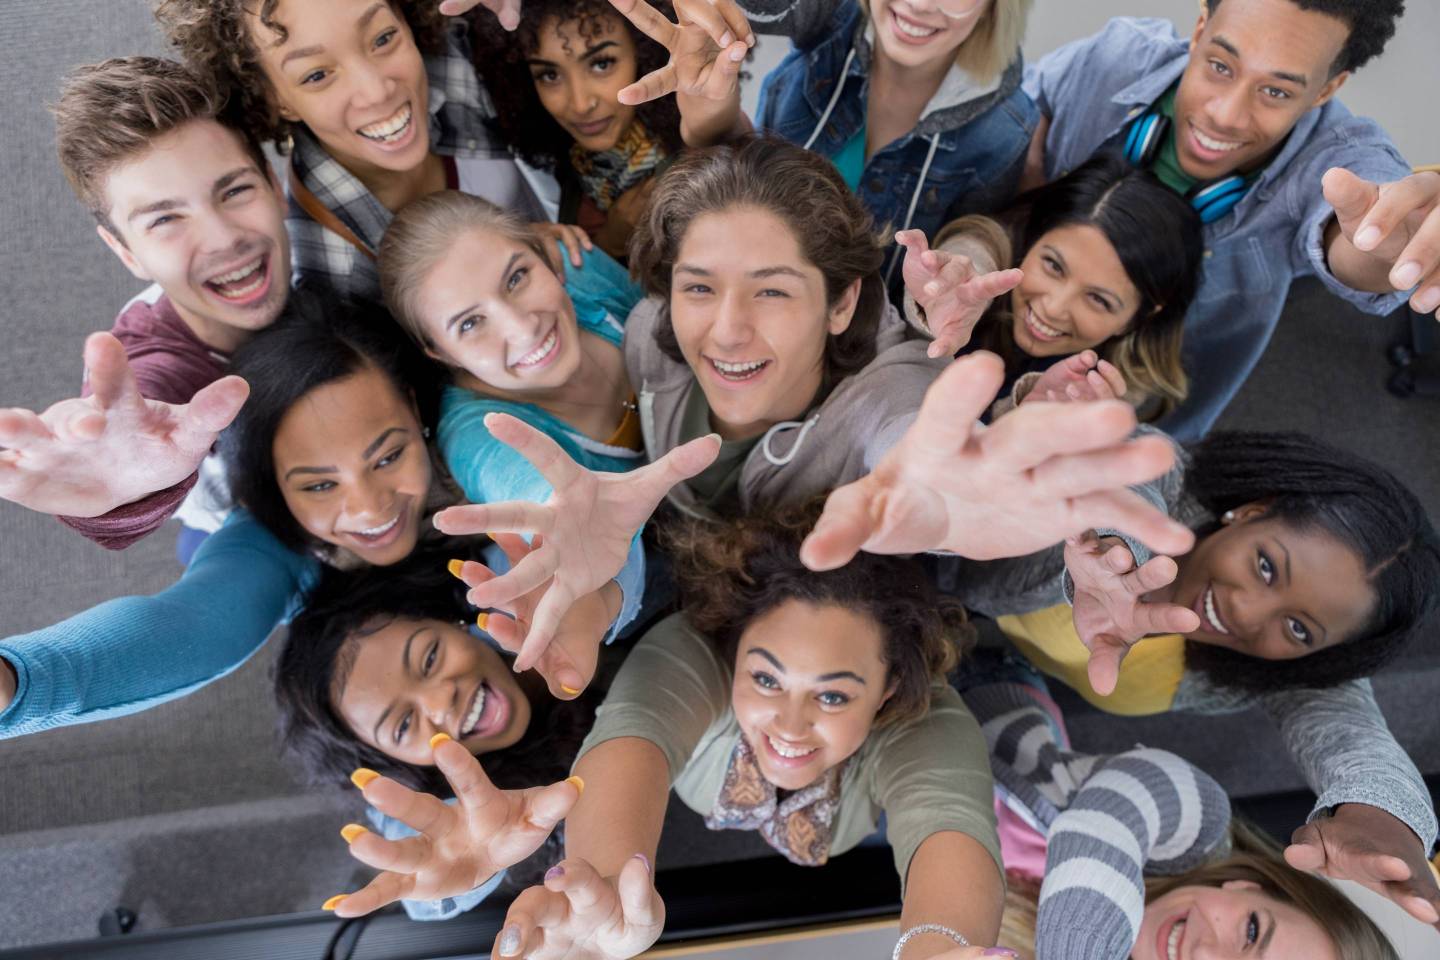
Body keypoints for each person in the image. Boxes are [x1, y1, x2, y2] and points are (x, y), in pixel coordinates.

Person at [432, 138, 1194, 672]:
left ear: (841, 303)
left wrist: (1097, 529)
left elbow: (918, 445)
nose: (726, 330)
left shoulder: (889, 389)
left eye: (771, 290)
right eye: (699, 287)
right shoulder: (646, 331)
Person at [0, 291, 713, 735]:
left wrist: (582, 586)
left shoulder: (468, 440)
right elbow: (187, 628)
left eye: (384, 455)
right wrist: (18, 682)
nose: (368, 508)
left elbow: (546, 524)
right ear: (272, 488)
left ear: (415, 409)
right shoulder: (277, 544)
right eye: (317, 485)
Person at [333, 505, 1012, 958]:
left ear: (890, 686)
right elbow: (638, 732)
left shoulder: (928, 719)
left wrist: (941, 946)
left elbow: (945, 818)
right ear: (734, 640)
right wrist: (598, 885)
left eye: (833, 694)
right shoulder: (693, 649)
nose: (791, 726)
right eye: (767, 679)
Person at [945, 428, 1440, 929]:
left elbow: (1355, 737)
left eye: (1297, 627)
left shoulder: (1275, 668)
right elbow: (1125, 489)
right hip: (920, 558)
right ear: (1250, 511)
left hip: (985, 657)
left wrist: (1385, 816)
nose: (1246, 612)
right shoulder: (1157, 468)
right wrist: (1117, 555)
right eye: (1267, 567)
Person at [1024, 0, 1440, 438]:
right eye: (1221, 66)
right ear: (1200, 29)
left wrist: (1389, 242)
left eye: (1276, 92)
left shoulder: (1339, 155)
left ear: (1325, 90)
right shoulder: (1117, 54)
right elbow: (1027, 108)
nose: (1223, 115)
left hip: (1139, 398)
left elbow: (1360, 223)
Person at [0, 57, 290, 554]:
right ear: (125, 252)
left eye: (236, 191)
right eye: (164, 220)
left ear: (273, 182)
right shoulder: (146, 365)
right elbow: (129, 426)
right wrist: (121, 495)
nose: (223, 239)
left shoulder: (330, 253)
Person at [152, 0, 576, 301]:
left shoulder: (459, 61)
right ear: (272, 99)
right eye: (317, 75)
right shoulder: (332, 266)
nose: (377, 91)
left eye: (384, 38)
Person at [962, 673, 1399, 960]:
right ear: (1250, 886)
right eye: (1251, 932)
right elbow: (1110, 816)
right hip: (949, 664)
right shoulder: (1197, 826)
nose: (1207, 954)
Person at [275, 542, 603, 920]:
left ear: (447, 618)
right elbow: (417, 861)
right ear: (395, 765)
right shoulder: (426, 795)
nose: (440, 701)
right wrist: (457, 857)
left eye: (429, 658)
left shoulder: (506, 583)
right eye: (403, 725)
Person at [378, 190, 648, 510]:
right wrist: (558, 515)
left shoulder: (576, 265)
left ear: (543, 255)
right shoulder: (476, 436)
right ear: (441, 354)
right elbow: (514, 482)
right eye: (469, 323)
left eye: (516, 278)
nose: (523, 329)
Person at [898, 155, 1203, 419]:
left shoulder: (1113, 389)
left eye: (1098, 299)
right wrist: (938, 299)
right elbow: (973, 253)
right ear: (1033, 238)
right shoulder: (986, 253)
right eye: (1054, 266)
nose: (1054, 308)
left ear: (1140, 318)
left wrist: (1027, 421)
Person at [469, 0, 749, 262]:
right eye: (549, 75)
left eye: (601, 63)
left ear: (643, 52)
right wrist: (609, 241)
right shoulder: (576, 167)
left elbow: (717, 137)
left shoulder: (689, 151)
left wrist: (709, 96)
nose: (580, 104)